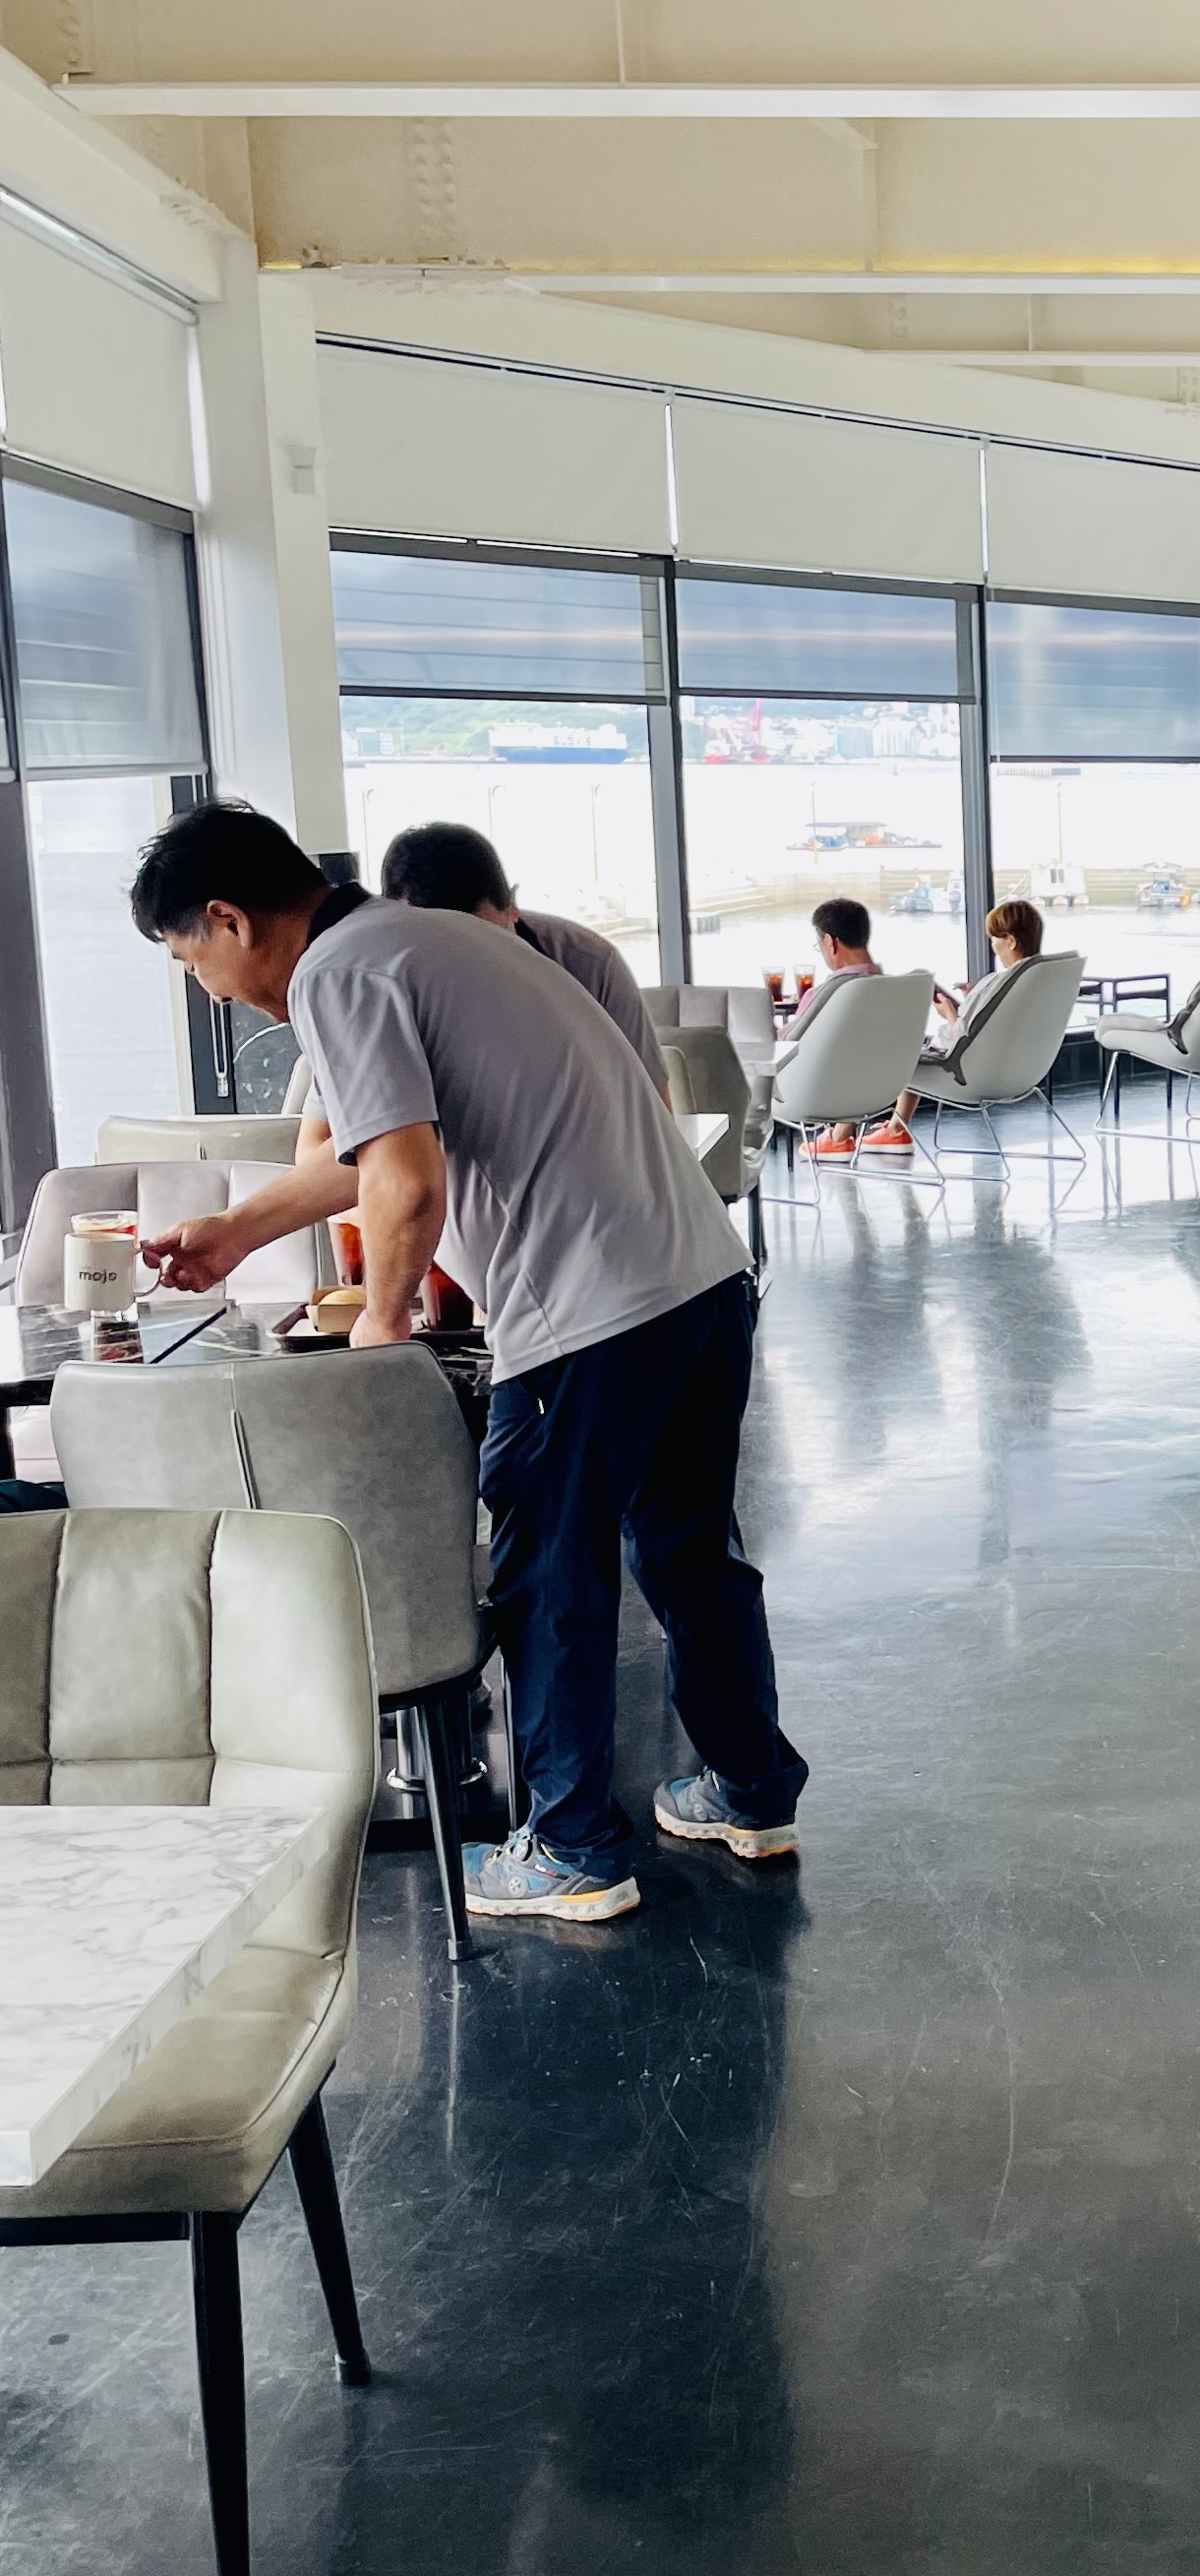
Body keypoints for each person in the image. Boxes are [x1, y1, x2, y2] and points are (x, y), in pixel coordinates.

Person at [132, 803, 805, 1928]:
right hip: (698, 1280)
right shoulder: (436, 940)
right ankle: (751, 1789)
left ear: (228, 919)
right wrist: (238, 1230)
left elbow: (406, 1181)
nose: (207, 988)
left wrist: (382, 1328)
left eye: (188, 959)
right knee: (692, 1552)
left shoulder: (341, 973)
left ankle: (572, 1849)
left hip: (584, 1315)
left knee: (549, 1579)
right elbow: (380, 1154)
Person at [376, 819, 668, 1089]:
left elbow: (652, 1096)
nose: (467, 964)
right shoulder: (378, 983)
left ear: (511, 907)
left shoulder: (589, 965)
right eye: (442, 948)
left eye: (484, 940)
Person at [858, 895, 1043, 1158]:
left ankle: (888, 1131)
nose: (992, 946)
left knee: (906, 1056)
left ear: (1010, 941)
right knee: (920, 1049)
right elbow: (996, 1026)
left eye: (994, 938)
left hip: (973, 1073)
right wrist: (974, 1000)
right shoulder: (1034, 979)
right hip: (1020, 1070)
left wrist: (950, 1014)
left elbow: (968, 1039)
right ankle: (895, 1128)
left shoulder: (998, 983)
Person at [785, 895, 882, 1159]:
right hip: (881, 1089)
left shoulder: (831, 991)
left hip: (812, 1090)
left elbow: (788, 1043)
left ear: (830, 942)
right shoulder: (892, 987)